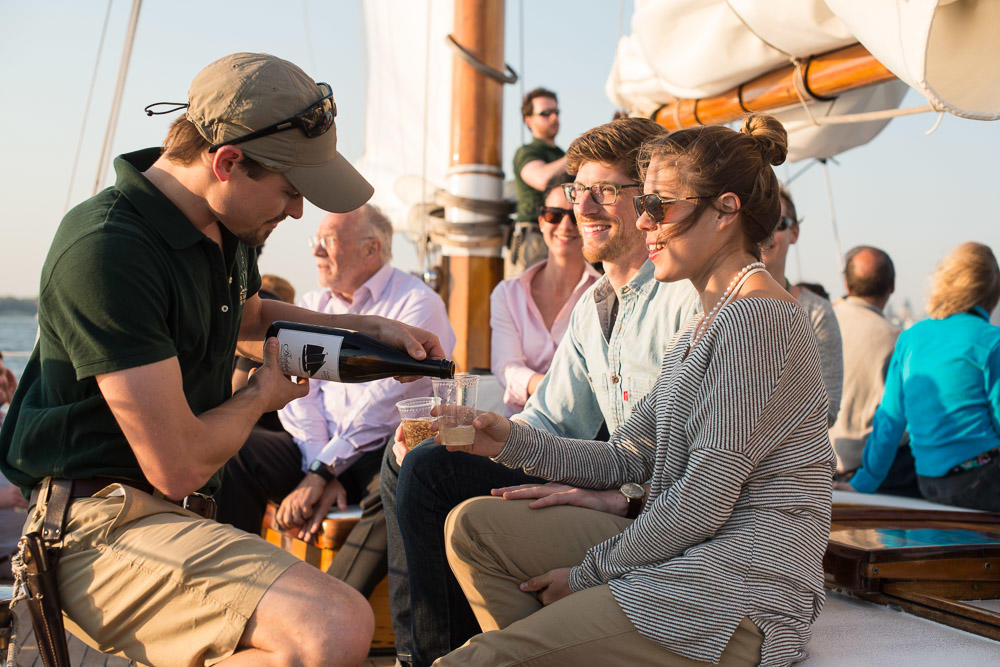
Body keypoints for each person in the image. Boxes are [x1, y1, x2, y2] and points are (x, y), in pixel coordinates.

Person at [0, 52, 446, 666]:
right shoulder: (108, 249)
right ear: (228, 162)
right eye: (291, 191)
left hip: (160, 516)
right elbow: (177, 464)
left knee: (324, 626)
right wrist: (263, 393)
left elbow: (248, 315)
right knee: (332, 625)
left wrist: (362, 327)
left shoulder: (221, 229)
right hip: (93, 527)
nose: (296, 212)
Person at [435, 114, 834, 667]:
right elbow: (627, 455)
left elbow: (705, 498)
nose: (643, 223)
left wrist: (584, 578)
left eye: (658, 206)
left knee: (472, 663)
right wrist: (505, 440)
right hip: (692, 554)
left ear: (725, 210)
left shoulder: (756, 320)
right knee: (474, 528)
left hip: (738, 590)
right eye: (641, 204)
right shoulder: (708, 323)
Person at [381, 118, 700, 666]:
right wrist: (478, 433)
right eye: (579, 192)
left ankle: (436, 657)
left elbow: (695, 461)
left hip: (651, 503)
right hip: (606, 474)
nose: (586, 209)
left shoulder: (685, 299)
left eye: (607, 192)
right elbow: (549, 422)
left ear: (646, 202)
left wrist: (623, 494)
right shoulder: (593, 307)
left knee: (432, 472)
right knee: (413, 456)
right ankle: (436, 653)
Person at [216, 204, 455, 597]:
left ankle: (324, 605)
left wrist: (324, 472)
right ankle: (236, 591)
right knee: (237, 450)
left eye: (327, 242)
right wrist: (317, 464)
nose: (315, 252)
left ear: (370, 250)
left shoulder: (417, 303)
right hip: (318, 448)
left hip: (379, 449)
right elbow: (300, 391)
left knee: (406, 481)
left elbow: (383, 405)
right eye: (316, 242)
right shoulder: (315, 302)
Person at [849, 242, 1000, 511]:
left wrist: (863, 483)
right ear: (990, 291)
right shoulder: (991, 341)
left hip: (929, 482)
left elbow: (889, 421)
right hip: (982, 481)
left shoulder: (911, 338)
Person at [491, 172, 601, 415]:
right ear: (541, 222)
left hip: (582, 433)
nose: (564, 226)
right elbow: (506, 366)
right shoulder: (507, 294)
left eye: (574, 217)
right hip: (519, 427)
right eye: (554, 216)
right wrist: (558, 389)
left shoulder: (604, 294)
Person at [829, 246, 918, 496]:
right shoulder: (898, 340)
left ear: (846, 285)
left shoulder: (819, 325)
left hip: (822, 467)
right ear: (891, 288)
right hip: (881, 472)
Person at [761, 186, 843, 425]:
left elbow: (828, 409)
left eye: (778, 223)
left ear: (794, 232)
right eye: (758, 220)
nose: (766, 231)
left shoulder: (816, 311)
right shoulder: (713, 304)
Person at [508, 88, 570, 275]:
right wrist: (579, 152)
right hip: (534, 237)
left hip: (564, 233)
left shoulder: (561, 155)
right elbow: (544, 179)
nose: (553, 117)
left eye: (556, 112)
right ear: (528, 121)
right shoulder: (526, 153)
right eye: (545, 113)